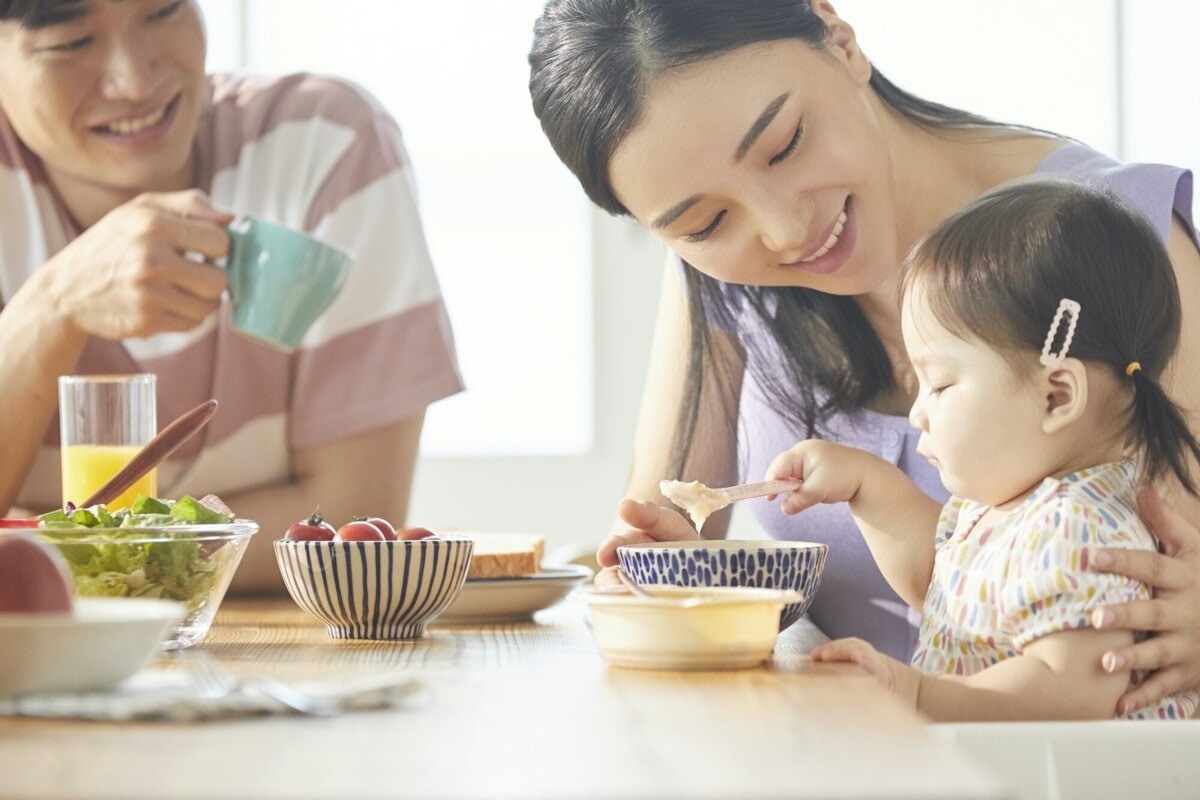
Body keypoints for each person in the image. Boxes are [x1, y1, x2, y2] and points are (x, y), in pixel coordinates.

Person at [528, 0, 1200, 716]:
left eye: (784, 144)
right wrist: (652, 563)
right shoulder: (724, 282)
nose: (785, 230)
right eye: (706, 223)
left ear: (838, 37)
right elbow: (668, 522)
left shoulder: (1115, 240)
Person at [0, 0, 464, 592]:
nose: (135, 81)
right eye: (70, 42)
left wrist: (48, 549)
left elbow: (348, 524)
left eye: (164, 11)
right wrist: (53, 306)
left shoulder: (323, 144)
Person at [765, 178, 1199, 720]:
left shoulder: (1079, 527)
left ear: (1056, 394)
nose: (918, 411)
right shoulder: (1014, 510)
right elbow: (939, 581)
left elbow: (1072, 690)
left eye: (941, 385)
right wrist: (865, 485)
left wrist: (918, 694)